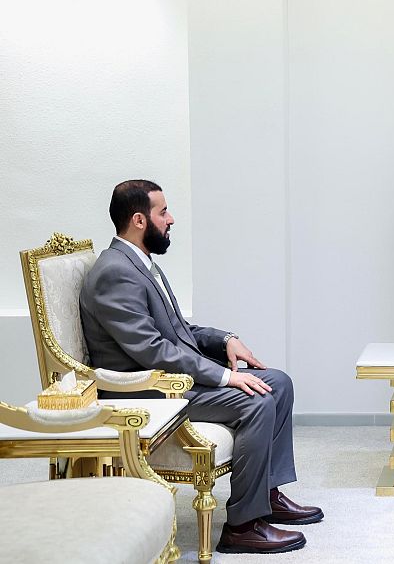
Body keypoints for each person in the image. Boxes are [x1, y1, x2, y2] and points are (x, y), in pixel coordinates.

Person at [79, 179, 323, 555]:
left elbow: (178, 331)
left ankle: (266, 495)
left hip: (171, 379)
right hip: (148, 392)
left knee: (279, 383)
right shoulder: (114, 273)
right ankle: (243, 526)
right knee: (257, 401)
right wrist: (225, 376)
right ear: (139, 220)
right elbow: (153, 350)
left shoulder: (139, 263)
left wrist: (225, 340)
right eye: (163, 212)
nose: (171, 219)